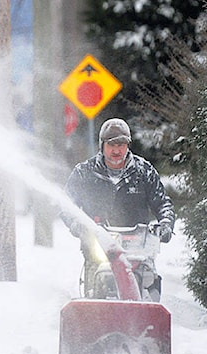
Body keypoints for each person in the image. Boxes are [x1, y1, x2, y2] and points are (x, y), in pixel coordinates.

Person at [62, 118, 175, 301]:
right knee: (95, 286)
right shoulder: (85, 173)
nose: (116, 150)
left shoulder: (143, 171)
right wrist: (77, 225)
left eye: (121, 144)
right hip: (97, 247)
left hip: (138, 247)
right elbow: (66, 204)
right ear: (102, 145)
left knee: (149, 280)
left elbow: (163, 203)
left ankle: (148, 312)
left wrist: (166, 224)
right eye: (111, 145)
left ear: (128, 145)